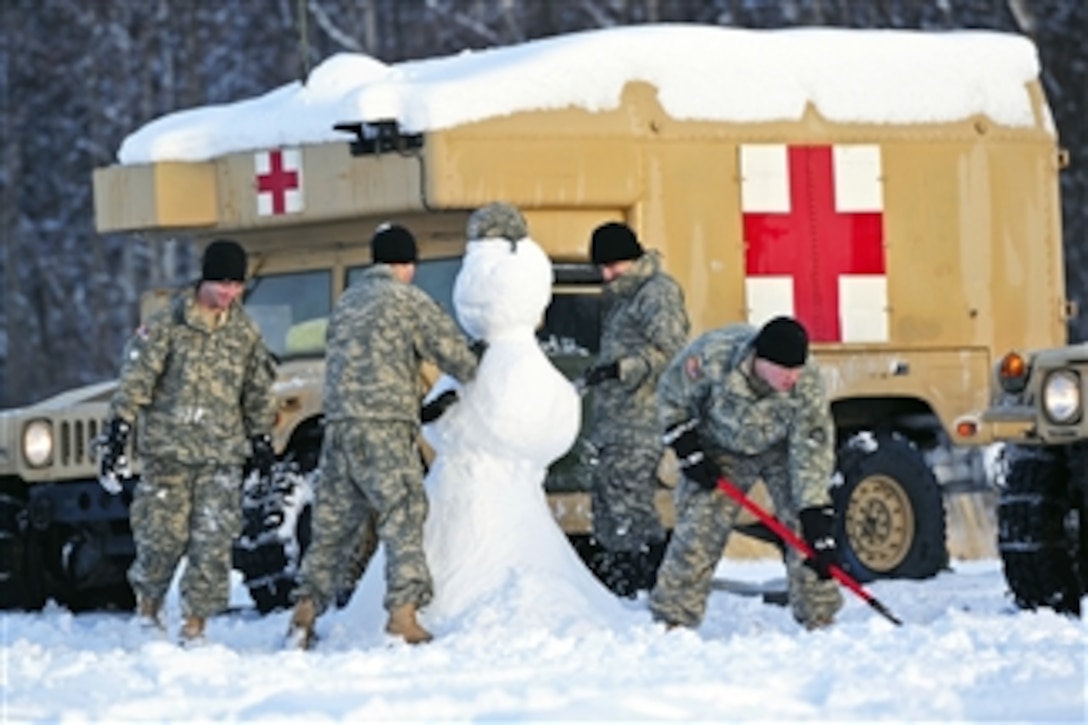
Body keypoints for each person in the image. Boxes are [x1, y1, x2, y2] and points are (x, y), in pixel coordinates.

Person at [286, 222, 479, 649]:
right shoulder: (407, 301)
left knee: (332, 529)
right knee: (403, 515)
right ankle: (403, 616)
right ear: (407, 265)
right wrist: (479, 363)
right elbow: (455, 356)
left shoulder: (347, 304)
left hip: (337, 431)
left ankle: (303, 614)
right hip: (385, 432)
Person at [98, 238, 277, 645]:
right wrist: (118, 430)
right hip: (169, 454)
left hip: (221, 455)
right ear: (205, 280)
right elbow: (136, 382)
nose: (230, 294)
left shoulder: (244, 331)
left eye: (237, 286)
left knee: (212, 542)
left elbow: (256, 389)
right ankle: (148, 609)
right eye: (223, 285)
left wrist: (261, 438)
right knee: (161, 537)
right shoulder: (166, 325)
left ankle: (196, 624)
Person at [648, 316, 844, 630]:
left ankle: (819, 614)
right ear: (761, 360)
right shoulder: (714, 355)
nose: (792, 377)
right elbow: (671, 397)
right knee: (699, 525)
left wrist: (814, 508)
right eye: (785, 369)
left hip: (780, 450)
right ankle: (673, 618)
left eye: (797, 369)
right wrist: (688, 448)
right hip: (720, 445)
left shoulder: (807, 383)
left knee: (807, 530)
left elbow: (812, 448)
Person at [579, 221, 689, 597]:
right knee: (609, 507)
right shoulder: (621, 295)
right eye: (602, 268)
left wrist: (623, 368)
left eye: (613, 266)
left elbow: (674, 353)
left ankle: (650, 582)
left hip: (641, 420)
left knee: (631, 506)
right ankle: (620, 585)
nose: (607, 275)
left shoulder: (657, 293)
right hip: (614, 422)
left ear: (633, 258)